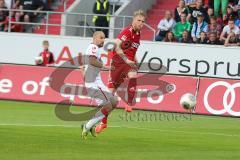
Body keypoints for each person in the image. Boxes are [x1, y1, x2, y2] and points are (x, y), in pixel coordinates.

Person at [95, 10, 146, 134]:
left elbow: (133, 51)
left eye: (143, 21)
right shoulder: (127, 31)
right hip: (117, 63)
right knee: (110, 97)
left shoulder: (138, 34)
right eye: (139, 20)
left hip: (128, 63)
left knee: (133, 76)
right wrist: (126, 59)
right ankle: (104, 122)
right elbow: (116, 46)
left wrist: (135, 60)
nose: (141, 23)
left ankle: (129, 103)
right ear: (133, 21)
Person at [81, 31, 117, 139]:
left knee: (113, 102)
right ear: (94, 38)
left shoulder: (93, 49)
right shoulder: (94, 48)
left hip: (96, 83)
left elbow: (87, 65)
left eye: (104, 38)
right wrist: (105, 66)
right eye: (101, 38)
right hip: (94, 84)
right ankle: (87, 126)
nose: (103, 40)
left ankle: (89, 125)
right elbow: (92, 61)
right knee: (109, 104)